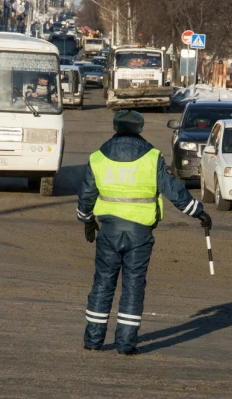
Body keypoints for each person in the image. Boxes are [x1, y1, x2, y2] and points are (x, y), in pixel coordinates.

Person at [77, 110, 213, 356]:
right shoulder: (152, 157)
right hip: (140, 234)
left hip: (108, 231)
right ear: (140, 129)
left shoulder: (97, 158)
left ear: (115, 127)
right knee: (133, 286)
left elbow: (87, 193)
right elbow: (174, 191)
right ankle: (126, 344)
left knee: (103, 283)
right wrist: (198, 212)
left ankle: (93, 340)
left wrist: (86, 220)